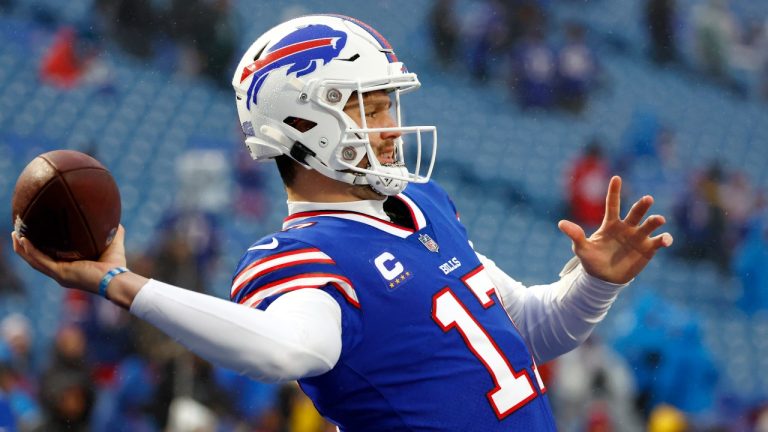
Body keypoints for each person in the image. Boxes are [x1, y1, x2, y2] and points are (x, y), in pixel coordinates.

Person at [11, 14, 673, 431]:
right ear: (303, 124)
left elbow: (529, 329)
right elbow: (289, 350)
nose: (390, 127)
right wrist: (121, 284)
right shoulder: (303, 256)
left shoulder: (422, 203)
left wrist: (594, 285)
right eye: (370, 107)